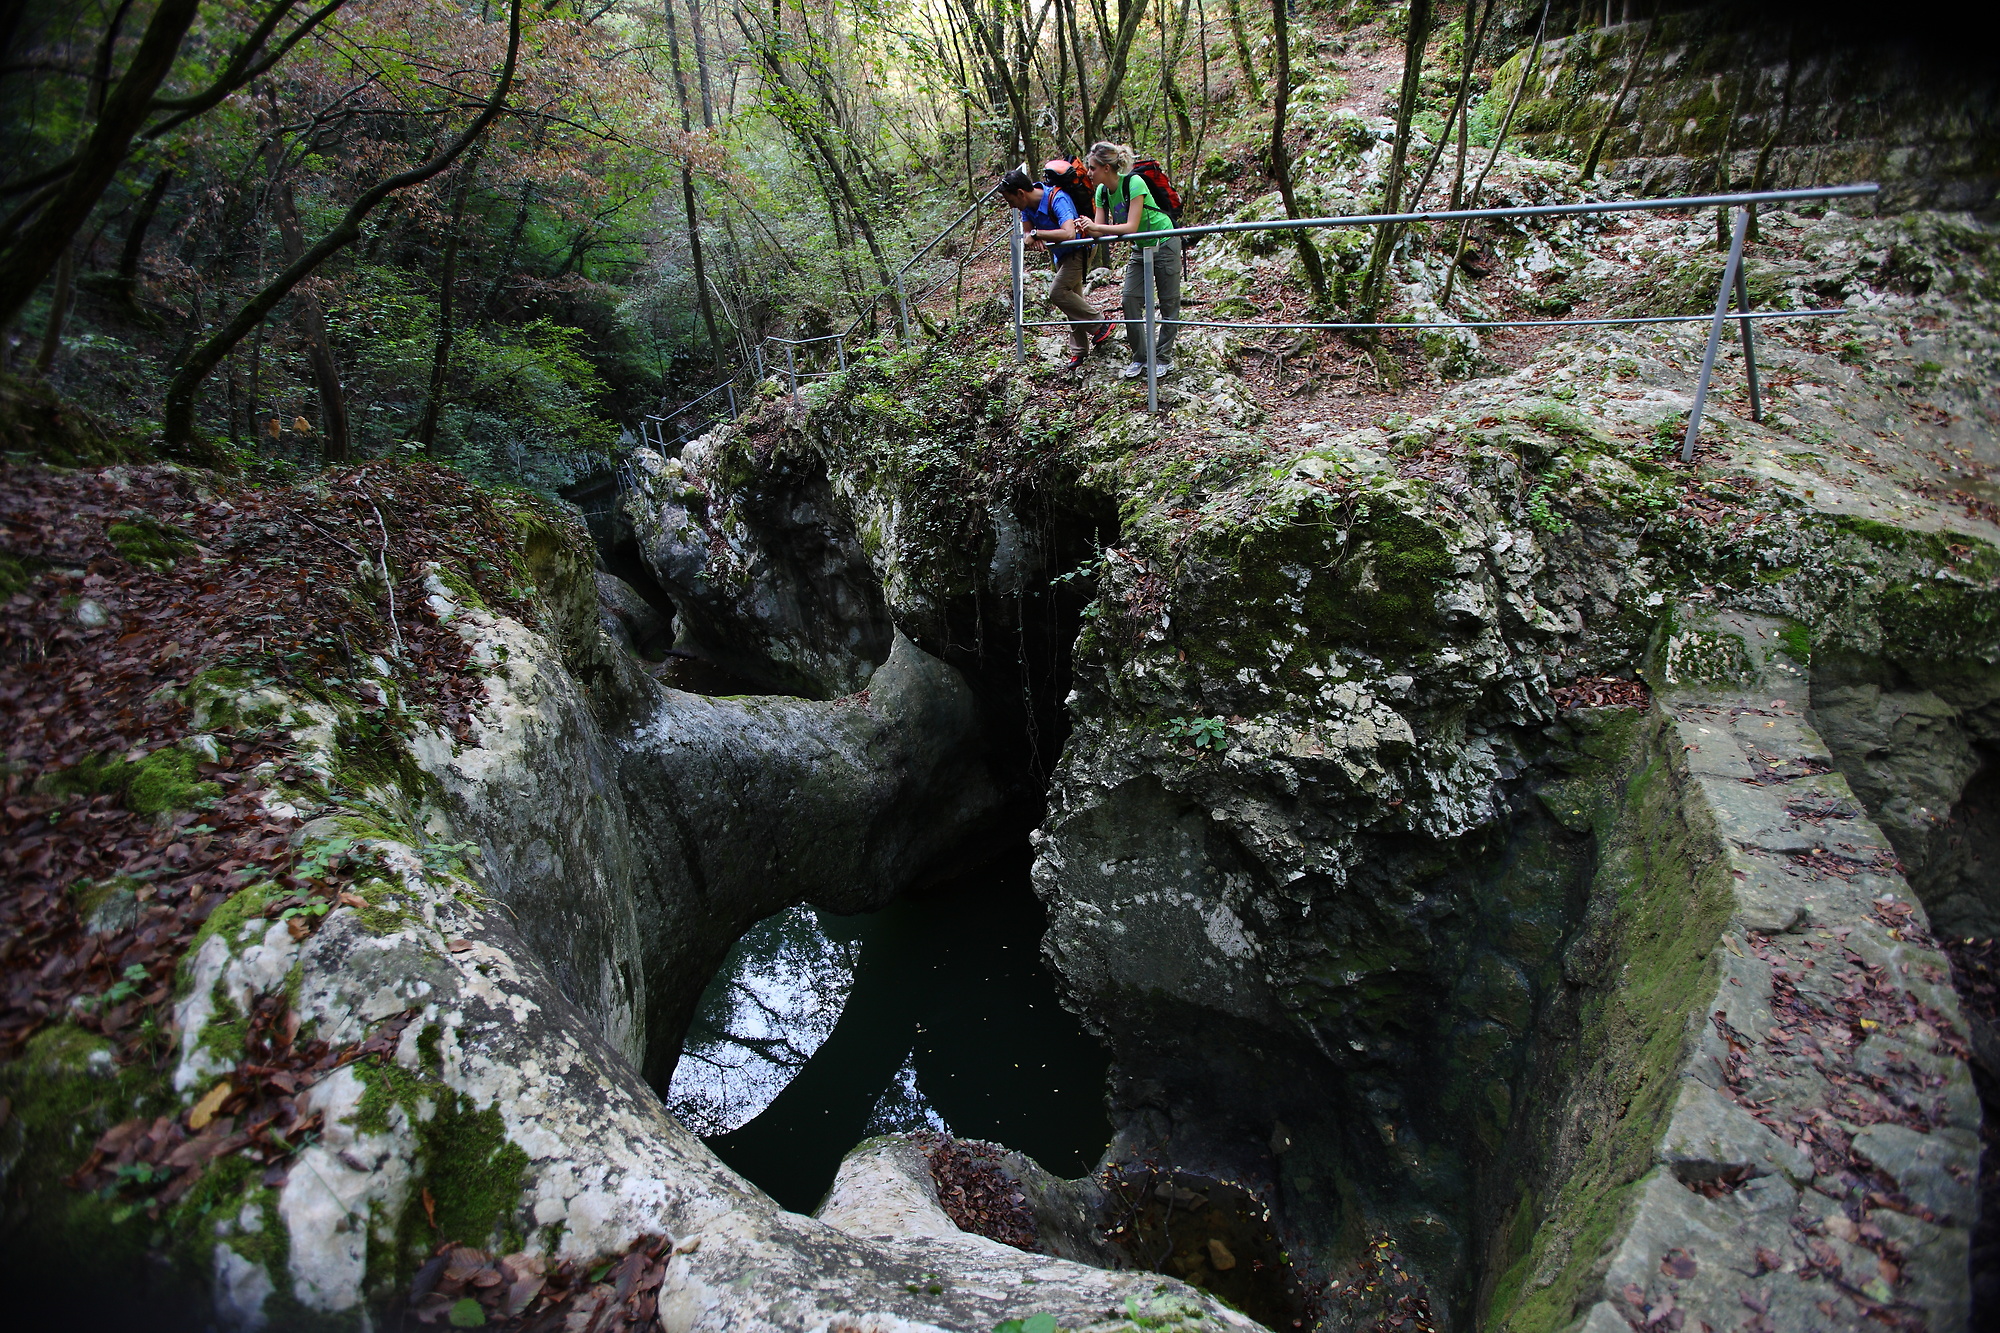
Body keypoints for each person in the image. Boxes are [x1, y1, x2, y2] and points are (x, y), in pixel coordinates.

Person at [1072, 142, 1180, 379]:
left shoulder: (1134, 183)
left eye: (1092, 168)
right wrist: (1085, 227)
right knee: (1130, 299)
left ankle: (1163, 357)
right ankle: (1140, 357)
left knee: (1168, 302)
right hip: (1140, 248)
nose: (1089, 173)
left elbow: (1130, 226)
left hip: (1163, 241)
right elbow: (1100, 230)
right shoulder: (1101, 192)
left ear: (1107, 168)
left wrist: (1096, 226)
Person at [999, 168, 1109, 370]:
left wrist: (1038, 233)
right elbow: (1026, 234)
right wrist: (1032, 237)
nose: (1011, 205)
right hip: (1061, 253)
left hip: (1079, 249)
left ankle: (1100, 323)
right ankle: (1079, 351)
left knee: (1058, 293)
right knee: (1072, 301)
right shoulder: (1027, 207)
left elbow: (1069, 233)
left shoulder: (1058, 198)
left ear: (1021, 193)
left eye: (1011, 200)